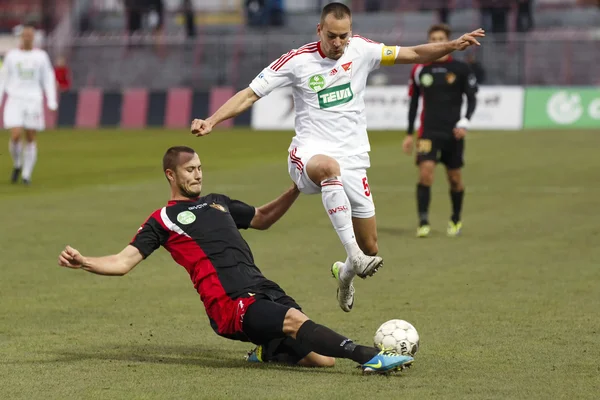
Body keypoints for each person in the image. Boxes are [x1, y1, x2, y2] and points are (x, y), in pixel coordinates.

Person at [190, 2, 484, 313]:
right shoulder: (296, 60)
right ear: (319, 30)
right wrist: (212, 120)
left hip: (354, 158)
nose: (338, 43)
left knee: (371, 246)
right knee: (330, 173)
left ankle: (345, 275)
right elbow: (250, 93)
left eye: (344, 36)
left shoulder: (363, 50)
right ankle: (353, 255)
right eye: (332, 36)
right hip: (309, 152)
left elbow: (412, 54)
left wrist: (451, 45)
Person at [57, 146, 414, 374]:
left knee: (321, 360)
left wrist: (296, 188)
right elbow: (123, 262)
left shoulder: (218, 201)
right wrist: (85, 261)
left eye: (199, 168)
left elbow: (261, 218)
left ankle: (268, 350)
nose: (197, 174)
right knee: (293, 320)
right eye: (189, 170)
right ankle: (370, 356)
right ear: (171, 175)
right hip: (229, 304)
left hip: (262, 288)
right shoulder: (162, 220)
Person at [402, 24, 478, 238]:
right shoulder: (419, 69)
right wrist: (409, 133)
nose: (436, 42)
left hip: (453, 133)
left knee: (454, 179)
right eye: (432, 39)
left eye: (440, 38)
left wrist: (465, 122)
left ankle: (455, 219)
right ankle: (423, 221)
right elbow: (413, 104)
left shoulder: (461, 69)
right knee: (425, 175)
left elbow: (471, 99)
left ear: (447, 41)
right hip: (428, 132)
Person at [0, 23, 57, 185]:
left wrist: (51, 100)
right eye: (24, 35)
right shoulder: (11, 56)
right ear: (20, 37)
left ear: (34, 38)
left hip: (33, 99)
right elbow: (2, 78)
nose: (27, 38)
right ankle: (17, 163)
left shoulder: (41, 57)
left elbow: (48, 78)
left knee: (30, 136)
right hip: (15, 98)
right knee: (16, 135)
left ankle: (26, 174)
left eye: (30, 36)